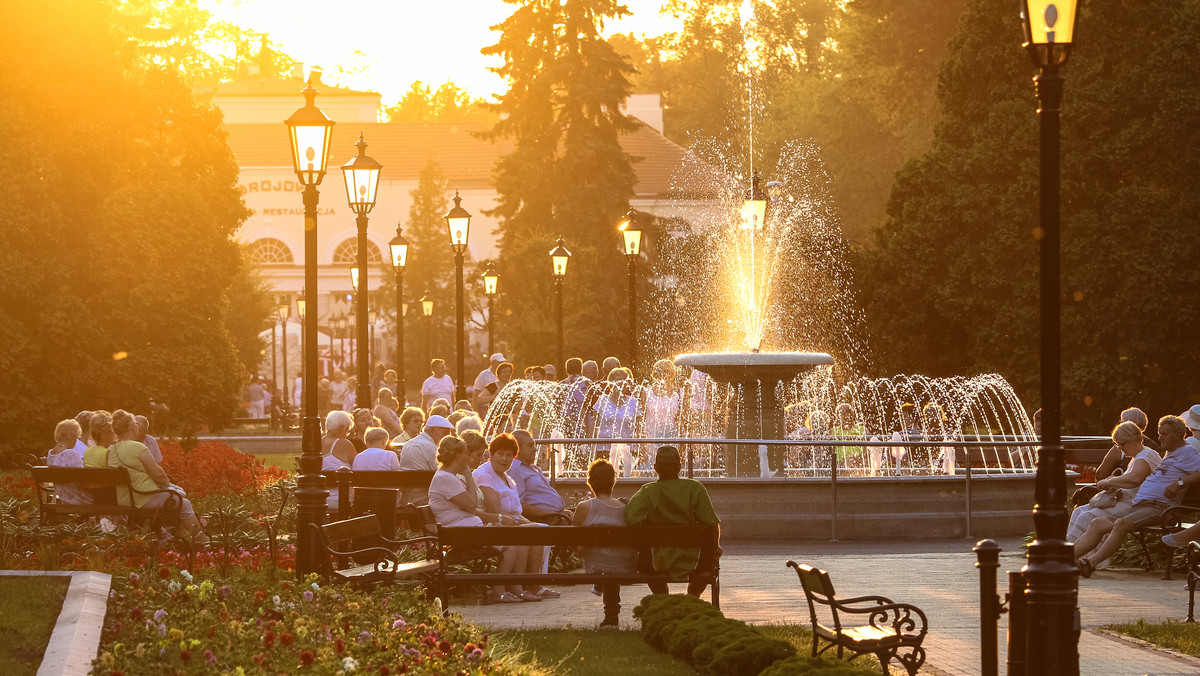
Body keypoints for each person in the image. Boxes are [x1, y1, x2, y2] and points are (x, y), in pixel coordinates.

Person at [1075, 415, 1200, 577]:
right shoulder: (1171, 453)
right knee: (1097, 523)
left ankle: (1089, 564)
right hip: (1142, 504)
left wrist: (1180, 483)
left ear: (1177, 435)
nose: (1160, 437)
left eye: (1164, 434)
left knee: (1121, 524)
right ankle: (1064, 560)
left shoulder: (1188, 452)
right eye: (1159, 433)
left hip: (1160, 507)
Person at [625, 445, 721, 596]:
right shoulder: (695, 488)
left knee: (646, 563)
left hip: (656, 560)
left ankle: (662, 597)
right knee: (708, 563)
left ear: (656, 467)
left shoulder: (647, 491)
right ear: (679, 466)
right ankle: (692, 598)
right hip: (693, 559)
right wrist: (716, 548)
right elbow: (711, 523)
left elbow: (630, 518)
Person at [473, 434, 558, 602]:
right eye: (500, 454)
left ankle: (532, 584)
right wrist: (523, 523)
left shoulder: (507, 477)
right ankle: (519, 586)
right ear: (491, 454)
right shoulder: (484, 475)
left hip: (510, 522)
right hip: (493, 524)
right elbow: (496, 512)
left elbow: (515, 512)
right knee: (530, 533)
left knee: (540, 529)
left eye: (509, 455)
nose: (505, 459)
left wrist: (528, 522)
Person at [107, 409, 208, 544]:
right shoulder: (137, 447)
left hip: (125, 498)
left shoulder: (111, 450)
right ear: (132, 427)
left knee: (177, 497)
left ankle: (180, 534)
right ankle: (202, 540)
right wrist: (168, 488)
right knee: (183, 503)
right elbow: (159, 474)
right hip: (143, 497)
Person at [1067, 421, 1161, 547]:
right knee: (1078, 511)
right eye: (1117, 445)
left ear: (1133, 439)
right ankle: (1069, 551)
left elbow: (1135, 479)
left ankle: (1076, 557)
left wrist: (1109, 481)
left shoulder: (1147, 454)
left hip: (1134, 504)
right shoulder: (1137, 456)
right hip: (1123, 500)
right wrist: (1114, 483)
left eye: (1121, 444)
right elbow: (1129, 480)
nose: (1120, 448)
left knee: (1087, 517)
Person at [574, 458, 638, 627]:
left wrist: (580, 548)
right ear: (613, 482)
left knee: (603, 559)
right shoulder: (625, 507)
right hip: (624, 562)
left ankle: (606, 603)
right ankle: (611, 613)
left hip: (595, 563)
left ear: (590, 483)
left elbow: (574, 538)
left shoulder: (584, 507)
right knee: (611, 559)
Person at [510, 430, 571, 524]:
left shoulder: (531, 468)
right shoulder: (514, 469)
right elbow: (518, 505)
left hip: (556, 516)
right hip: (545, 520)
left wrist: (561, 512)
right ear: (517, 449)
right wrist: (551, 513)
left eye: (534, 445)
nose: (535, 449)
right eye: (530, 445)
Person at [589, 367, 640, 477]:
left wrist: (642, 447)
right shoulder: (602, 400)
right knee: (603, 479)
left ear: (627, 383)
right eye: (616, 380)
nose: (619, 383)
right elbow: (594, 421)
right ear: (610, 383)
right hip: (604, 447)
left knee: (628, 479)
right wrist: (589, 442)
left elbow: (639, 425)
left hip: (628, 448)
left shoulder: (633, 402)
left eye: (622, 380)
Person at [399, 415, 457, 504]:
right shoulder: (432, 448)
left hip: (407, 499)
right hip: (425, 499)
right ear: (432, 430)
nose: (447, 438)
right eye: (445, 433)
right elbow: (444, 476)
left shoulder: (409, 444)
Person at [1095, 407, 1162, 480]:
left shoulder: (1121, 446)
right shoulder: (1153, 446)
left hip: (1124, 486)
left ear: (1127, 424)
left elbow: (1100, 473)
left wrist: (1108, 483)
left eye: (1121, 422)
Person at [642, 359, 683, 470]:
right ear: (655, 373)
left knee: (671, 469)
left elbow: (683, 419)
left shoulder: (680, 392)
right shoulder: (646, 392)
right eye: (661, 371)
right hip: (651, 437)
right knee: (650, 469)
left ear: (672, 373)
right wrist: (642, 445)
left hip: (672, 437)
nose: (664, 374)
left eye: (667, 371)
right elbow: (640, 419)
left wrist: (684, 442)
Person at [47, 418, 91, 505]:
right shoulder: (71, 454)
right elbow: (84, 478)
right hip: (78, 498)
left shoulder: (50, 453)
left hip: (63, 497)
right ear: (72, 437)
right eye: (76, 437)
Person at [322, 410, 358, 513]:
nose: (347, 434)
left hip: (319, 498)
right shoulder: (345, 444)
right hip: (341, 498)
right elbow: (358, 466)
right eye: (347, 430)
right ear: (341, 428)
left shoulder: (316, 445)